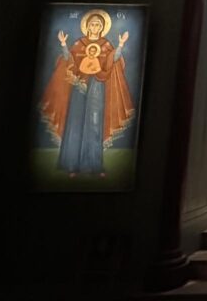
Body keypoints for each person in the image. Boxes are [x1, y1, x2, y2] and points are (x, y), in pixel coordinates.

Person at [39, 10, 136, 177]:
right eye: (92, 24)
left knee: (95, 123)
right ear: (87, 26)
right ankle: (72, 165)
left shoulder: (106, 44)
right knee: (75, 122)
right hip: (79, 86)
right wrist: (63, 44)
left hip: (97, 86)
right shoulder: (79, 43)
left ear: (102, 27)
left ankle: (95, 165)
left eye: (98, 24)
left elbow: (112, 60)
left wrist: (120, 45)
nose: (95, 27)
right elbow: (69, 60)